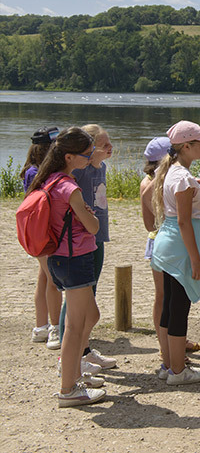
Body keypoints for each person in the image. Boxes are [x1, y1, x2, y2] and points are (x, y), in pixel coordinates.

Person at [27, 127, 105, 407]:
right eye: (86, 155)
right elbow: (93, 226)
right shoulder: (69, 188)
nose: (90, 159)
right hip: (75, 259)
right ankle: (68, 388)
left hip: (59, 258)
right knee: (74, 326)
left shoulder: (47, 180)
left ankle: (74, 373)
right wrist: (89, 215)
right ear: (70, 157)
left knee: (88, 316)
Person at [151, 121, 200, 385]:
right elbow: (184, 221)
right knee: (179, 307)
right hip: (178, 248)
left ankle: (169, 365)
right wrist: (195, 259)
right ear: (186, 146)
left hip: (168, 244)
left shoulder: (172, 171)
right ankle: (179, 372)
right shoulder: (182, 177)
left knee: (171, 304)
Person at [62, 124, 117, 372]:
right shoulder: (79, 173)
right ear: (89, 149)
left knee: (91, 292)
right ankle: (71, 356)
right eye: (104, 145)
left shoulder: (101, 167)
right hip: (81, 240)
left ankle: (83, 350)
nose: (110, 148)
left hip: (98, 238)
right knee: (77, 298)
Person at [23, 126, 62, 349]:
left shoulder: (33, 170)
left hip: (39, 233)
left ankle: (40, 327)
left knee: (44, 277)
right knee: (54, 280)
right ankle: (55, 327)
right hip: (43, 233)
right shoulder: (37, 173)